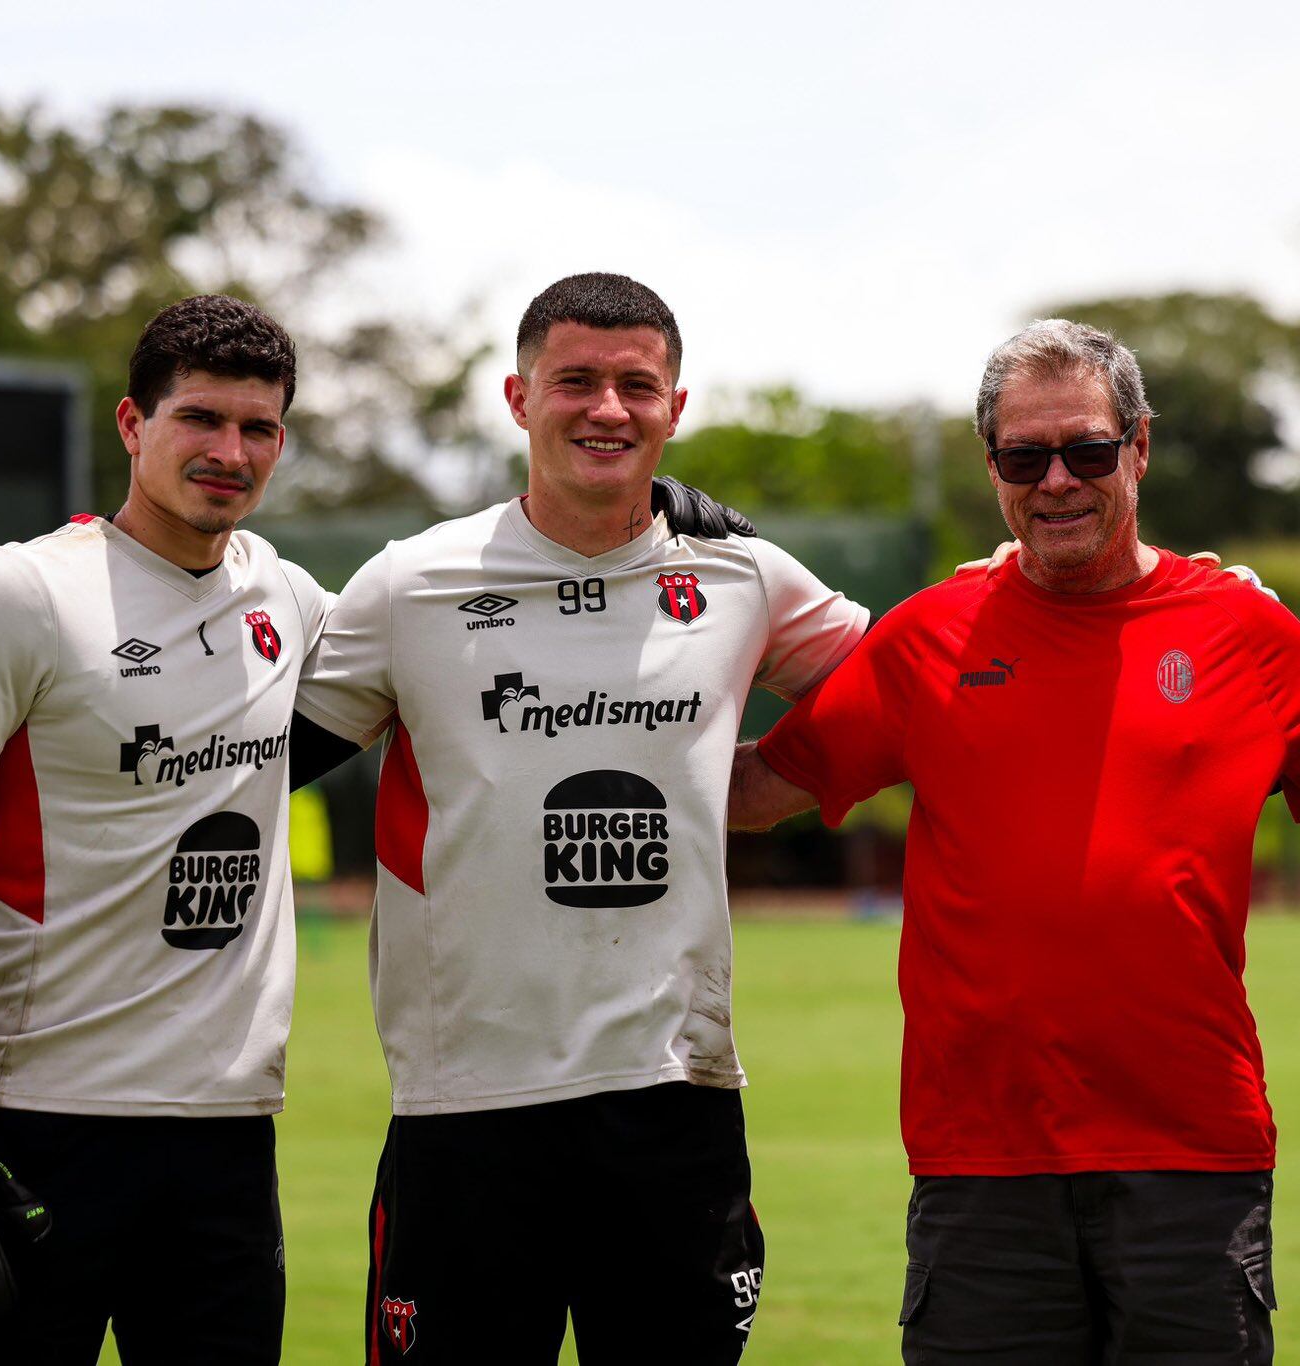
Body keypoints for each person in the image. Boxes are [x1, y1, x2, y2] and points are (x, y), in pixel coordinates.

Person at [726, 319, 1300, 1365]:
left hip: (1193, 1159)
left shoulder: (1250, 635)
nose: (1057, 480)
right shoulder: (926, 638)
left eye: (1087, 451)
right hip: (982, 1165)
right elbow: (752, 790)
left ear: (1137, 447)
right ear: (991, 466)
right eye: (1025, 456)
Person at [286, 272, 868, 1364]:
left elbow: (905, 686)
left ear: (675, 408)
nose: (608, 407)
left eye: (636, 385)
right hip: (467, 1109)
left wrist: (766, 779)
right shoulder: (412, 583)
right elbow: (251, 765)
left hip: (673, 1098)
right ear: (516, 398)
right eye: (576, 381)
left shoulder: (740, 574)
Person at [0, 295, 328, 1363]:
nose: (228, 451)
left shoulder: (287, 599)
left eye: (256, 428)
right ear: (131, 424)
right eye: (199, 419)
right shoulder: (16, 593)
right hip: (29, 1121)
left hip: (224, 1137)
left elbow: (454, 624)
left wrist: (640, 511)